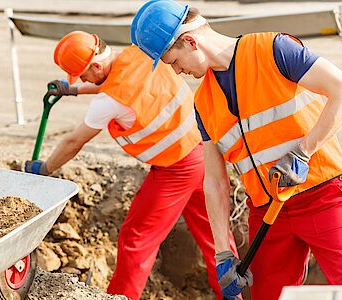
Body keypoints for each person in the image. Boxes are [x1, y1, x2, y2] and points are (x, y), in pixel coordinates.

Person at [131, 1, 342, 300]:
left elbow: (339, 89)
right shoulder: (203, 103)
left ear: (190, 41)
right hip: (268, 212)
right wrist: (221, 254)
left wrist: (303, 152)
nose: (177, 72)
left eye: (173, 62)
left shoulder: (274, 49)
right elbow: (215, 182)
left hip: (324, 196)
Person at [25, 30, 238, 300]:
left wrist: (44, 169)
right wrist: (73, 90)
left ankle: (120, 297)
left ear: (96, 65)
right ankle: (234, 295)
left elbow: (73, 142)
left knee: (137, 238)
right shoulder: (138, 54)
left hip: (177, 168)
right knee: (215, 238)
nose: (84, 80)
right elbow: (116, 81)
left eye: (83, 75)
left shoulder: (109, 100)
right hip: (206, 154)